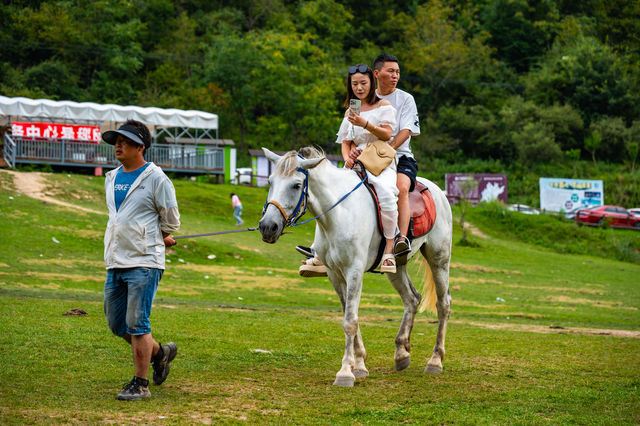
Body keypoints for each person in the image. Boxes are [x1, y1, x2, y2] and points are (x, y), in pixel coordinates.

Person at [102, 120, 181, 401]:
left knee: (137, 324)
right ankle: (160, 353)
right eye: (115, 141)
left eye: (124, 141)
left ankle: (140, 383)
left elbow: (171, 221)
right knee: (116, 324)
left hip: (145, 262)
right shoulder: (111, 178)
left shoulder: (157, 178)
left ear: (141, 146)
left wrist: (160, 236)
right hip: (115, 259)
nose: (117, 146)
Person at [300, 64, 399, 274]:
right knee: (330, 197)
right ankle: (320, 252)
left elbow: (387, 135)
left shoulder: (384, 106)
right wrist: (348, 158)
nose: (359, 88)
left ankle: (389, 251)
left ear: (372, 83)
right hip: (355, 163)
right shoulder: (351, 111)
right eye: (354, 84)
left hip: (379, 161)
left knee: (387, 195)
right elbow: (345, 141)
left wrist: (365, 124)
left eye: (363, 83)